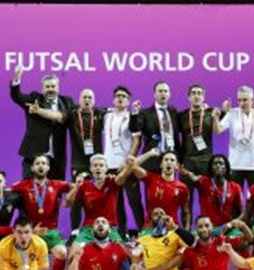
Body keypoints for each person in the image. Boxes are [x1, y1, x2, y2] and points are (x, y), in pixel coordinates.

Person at [10, 154, 73, 270]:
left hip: (51, 232)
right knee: (22, 259)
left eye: (44, 163)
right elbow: (3, 191)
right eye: (37, 163)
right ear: (32, 168)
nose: (40, 166)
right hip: (30, 234)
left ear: (48, 168)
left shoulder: (57, 185)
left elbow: (76, 186)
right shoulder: (23, 185)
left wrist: (69, 199)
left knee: (62, 252)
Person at [9, 65, 74, 180]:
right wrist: (16, 78)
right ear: (42, 88)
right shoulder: (34, 99)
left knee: (56, 192)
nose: (50, 89)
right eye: (47, 86)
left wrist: (38, 111)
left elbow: (62, 117)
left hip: (57, 157)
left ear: (58, 87)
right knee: (29, 191)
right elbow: (16, 96)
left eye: (53, 86)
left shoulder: (67, 102)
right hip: (33, 154)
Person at [65, 154, 136, 244]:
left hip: (109, 228)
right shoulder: (84, 186)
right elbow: (68, 204)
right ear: (91, 169)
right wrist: (77, 187)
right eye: (95, 165)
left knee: (122, 253)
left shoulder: (112, 182)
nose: (98, 168)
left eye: (101, 165)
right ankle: (74, 233)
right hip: (89, 228)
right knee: (74, 252)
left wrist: (129, 165)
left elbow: (123, 176)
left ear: (106, 169)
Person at [103, 85, 144, 233]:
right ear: (113, 100)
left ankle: (141, 231)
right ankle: (121, 232)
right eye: (118, 96)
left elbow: (136, 140)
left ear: (128, 101)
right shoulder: (106, 116)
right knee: (115, 202)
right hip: (109, 165)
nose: (121, 98)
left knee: (134, 200)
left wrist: (129, 161)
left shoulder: (131, 117)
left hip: (126, 166)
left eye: (124, 96)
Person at [64, 88, 107, 231]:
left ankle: (99, 230)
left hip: (97, 163)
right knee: (77, 197)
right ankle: (75, 232)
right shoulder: (72, 115)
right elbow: (58, 116)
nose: (87, 100)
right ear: (79, 100)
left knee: (99, 197)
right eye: (84, 97)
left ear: (94, 101)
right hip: (78, 163)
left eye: (90, 97)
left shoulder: (101, 114)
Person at [178, 84, 221, 216]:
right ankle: (187, 232)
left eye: (199, 93)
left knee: (208, 199)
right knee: (186, 200)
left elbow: (234, 114)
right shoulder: (181, 115)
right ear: (189, 97)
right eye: (194, 93)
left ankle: (207, 232)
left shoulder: (212, 112)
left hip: (206, 162)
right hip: (188, 162)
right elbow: (176, 138)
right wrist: (179, 161)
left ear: (203, 97)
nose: (196, 96)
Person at [215, 85, 254, 190]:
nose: (241, 103)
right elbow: (218, 130)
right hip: (235, 165)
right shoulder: (232, 113)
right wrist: (216, 117)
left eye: (245, 100)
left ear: (252, 100)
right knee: (233, 202)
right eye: (239, 100)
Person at [131, 148, 191, 230]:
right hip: (150, 228)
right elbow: (132, 165)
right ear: (161, 164)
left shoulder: (183, 188)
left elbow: (186, 213)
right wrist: (149, 153)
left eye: (172, 160)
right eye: (166, 160)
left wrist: (186, 232)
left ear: (177, 166)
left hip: (171, 229)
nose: (169, 162)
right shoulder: (151, 178)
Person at [132, 81, 180, 173]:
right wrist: (134, 114)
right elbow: (135, 129)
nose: (163, 93)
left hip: (170, 159)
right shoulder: (145, 113)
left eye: (165, 91)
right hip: (152, 158)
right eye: (160, 91)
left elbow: (176, 136)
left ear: (169, 94)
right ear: (154, 94)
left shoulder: (173, 112)